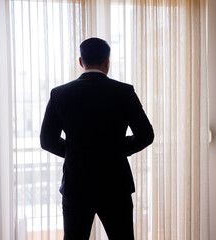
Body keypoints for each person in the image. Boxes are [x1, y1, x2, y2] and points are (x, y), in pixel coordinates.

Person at [40, 37, 154, 240]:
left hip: (77, 183)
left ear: (81, 61)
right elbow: (146, 135)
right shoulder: (124, 92)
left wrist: (77, 151)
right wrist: (117, 149)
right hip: (115, 184)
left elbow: (47, 140)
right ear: (107, 61)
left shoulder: (60, 94)